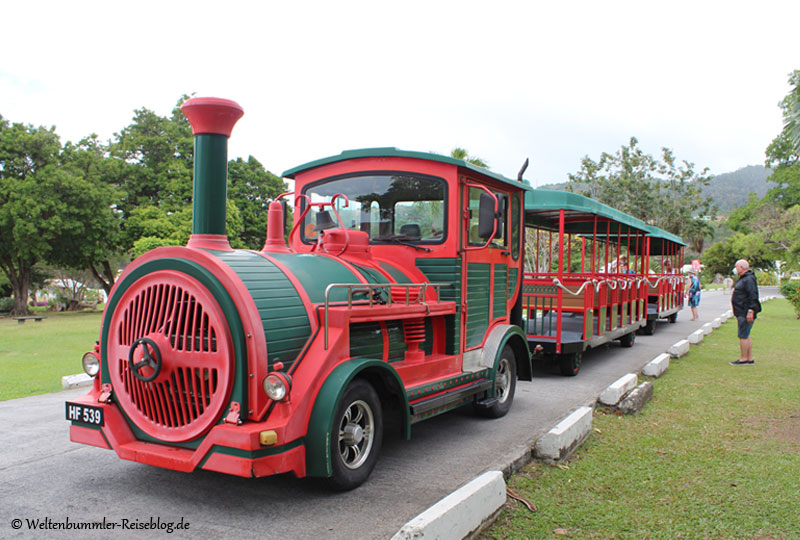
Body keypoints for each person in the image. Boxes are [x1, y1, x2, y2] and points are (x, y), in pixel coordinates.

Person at [730, 259, 759, 366]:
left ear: (741, 267)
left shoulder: (749, 279)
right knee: (746, 334)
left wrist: (750, 311)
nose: (735, 269)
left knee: (743, 335)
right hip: (741, 311)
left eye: (736, 266)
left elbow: (753, 296)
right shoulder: (744, 278)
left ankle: (743, 359)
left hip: (745, 311)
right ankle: (749, 357)